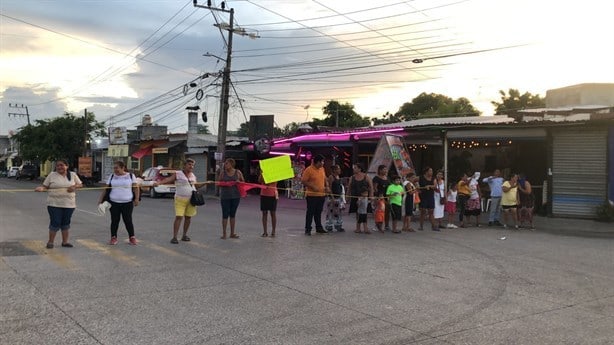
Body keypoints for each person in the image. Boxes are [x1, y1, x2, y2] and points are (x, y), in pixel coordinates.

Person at [35, 159, 83, 249]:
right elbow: (45, 187)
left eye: (62, 165)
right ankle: (50, 242)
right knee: (55, 222)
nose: (60, 167)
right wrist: (41, 189)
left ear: (67, 166)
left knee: (66, 223)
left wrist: (74, 186)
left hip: (69, 204)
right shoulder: (52, 175)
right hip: (54, 204)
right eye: (58, 166)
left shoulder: (72, 175)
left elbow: (80, 185)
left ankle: (65, 242)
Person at [156, 158, 198, 244]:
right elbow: (168, 179)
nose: (191, 166)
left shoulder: (193, 175)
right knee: (179, 217)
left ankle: (184, 235)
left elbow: (196, 186)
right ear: (185, 165)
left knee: (188, 217)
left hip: (191, 199)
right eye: (189, 164)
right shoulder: (178, 173)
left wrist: (207, 183)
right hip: (180, 199)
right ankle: (174, 237)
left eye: (192, 165)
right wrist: (159, 183)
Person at [98, 161, 140, 245]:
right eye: (114, 168)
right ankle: (113, 237)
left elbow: (136, 188)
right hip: (114, 203)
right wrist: (100, 200)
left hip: (127, 202)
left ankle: (132, 237)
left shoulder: (131, 176)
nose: (115, 170)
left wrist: (137, 199)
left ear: (122, 167)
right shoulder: (112, 176)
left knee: (128, 220)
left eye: (117, 168)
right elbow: (106, 189)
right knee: (114, 220)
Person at [301, 154, 329, 235]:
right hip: (312, 196)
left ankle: (319, 227)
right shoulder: (308, 170)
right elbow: (303, 181)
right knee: (310, 213)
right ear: (317, 162)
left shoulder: (322, 169)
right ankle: (308, 229)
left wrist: (327, 186)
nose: (323, 163)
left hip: (321, 195)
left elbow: (325, 178)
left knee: (318, 212)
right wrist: (312, 186)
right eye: (322, 162)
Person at [218, 158, 245, 239]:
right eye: (225, 163)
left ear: (231, 164)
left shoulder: (238, 172)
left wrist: (239, 182)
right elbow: (218, 183)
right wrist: (225, 184)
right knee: (225, 214)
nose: (225, 165)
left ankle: (232, 233)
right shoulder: (223, 173)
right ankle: (224, 233)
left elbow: (243, 182)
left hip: (235, 196)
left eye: (227, 163)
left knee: (232, 214)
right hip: (225, 196)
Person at [347, 162, 373, 232]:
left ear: (359, 169)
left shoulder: (366, 176)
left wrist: (371, 196)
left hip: (364, 197)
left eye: (355, 168)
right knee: (357, 212)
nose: (354, 169)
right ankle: (358, 228)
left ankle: (365, 227)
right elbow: (349, 188)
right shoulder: (352, 177)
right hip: (355, 197)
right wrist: (347, 196)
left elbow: (371, 187)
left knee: (364, 212)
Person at [325, 164, 345, 232]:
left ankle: (338, 225)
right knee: (330, 212)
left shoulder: (338, 177)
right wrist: (332, 197)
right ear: (334, 170)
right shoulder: (331, 177)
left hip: (338, 197)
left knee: (338, 212)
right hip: (332, 198)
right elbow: (329, 188)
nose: (340, 170)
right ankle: (329, 226)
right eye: (338, 169)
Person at [258, 171, 278, 237]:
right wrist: (262, 173)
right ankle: (265, 232)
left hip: (272, 194)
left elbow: (270, 182)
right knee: (264, 213)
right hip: (264, 194)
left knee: (273, 213)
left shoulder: (275, 173)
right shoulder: (263, 172)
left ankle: (273, 231)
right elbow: (260, 181)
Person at [372, 165, 391, 231]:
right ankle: (378, 225)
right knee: (379, 212)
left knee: (387, 211)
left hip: (387, 196)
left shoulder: (387, 178)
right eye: (384, 169)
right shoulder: (376, 178)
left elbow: (390, 187)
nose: (386, 171)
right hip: (379, 197)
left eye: (386, 169)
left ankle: (387, 225)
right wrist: (378, 196)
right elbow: (375, 188)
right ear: (380, 170)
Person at [418, 167, 436, 231]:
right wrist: (417, 188)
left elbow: (435, 186)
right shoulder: (421, 177)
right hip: (423, 196)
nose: (431, 172)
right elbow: (413, 181)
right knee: (423, 211)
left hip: (430, 196)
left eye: (432, 171)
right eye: (430, 171)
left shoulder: (433, 178)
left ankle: (433, 226)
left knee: (431, 211)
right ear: (426, 172)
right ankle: (421, 226)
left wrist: (429, 186)